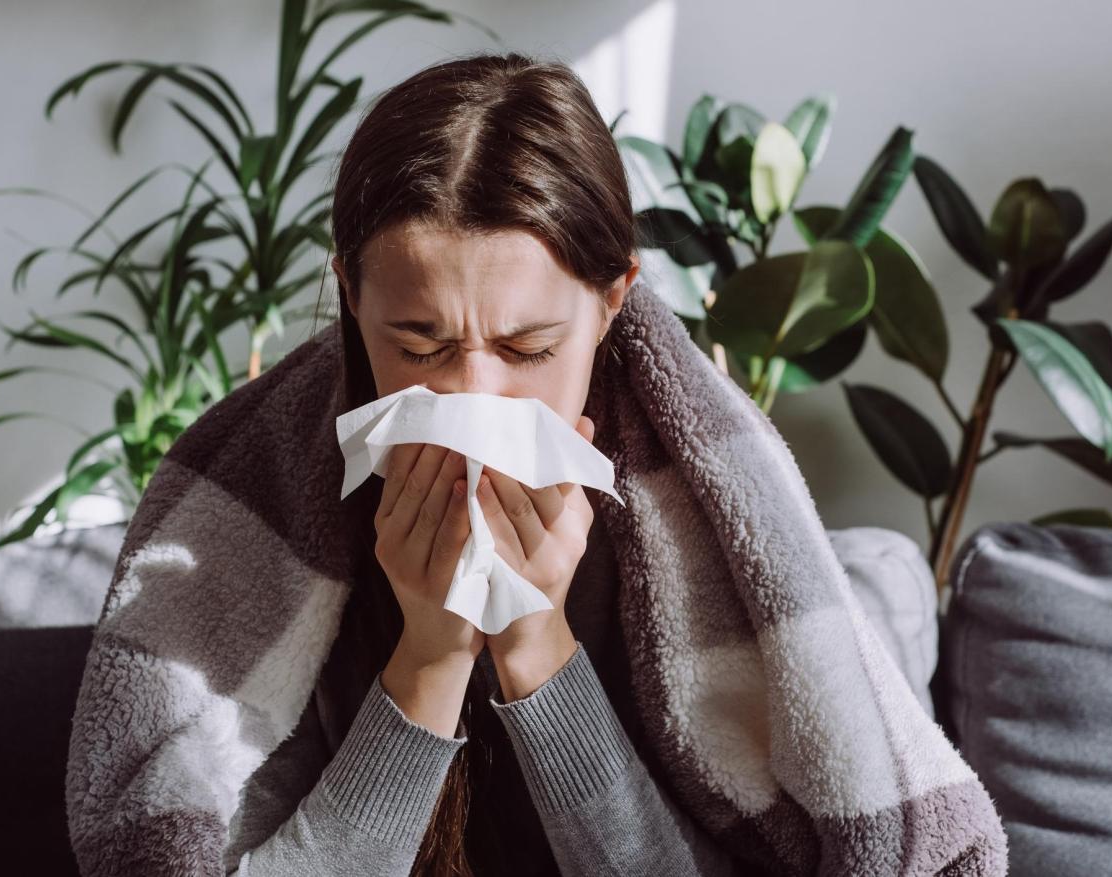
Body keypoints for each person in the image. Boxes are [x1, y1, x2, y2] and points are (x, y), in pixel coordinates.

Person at [222, 51, 741, 876]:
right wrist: (430, 655)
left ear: (612, 302)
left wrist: (537, 642)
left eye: (527, 349)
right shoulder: (248, 508)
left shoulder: (699, 521)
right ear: (351, 296)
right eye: (419, 345)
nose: (474, 397)